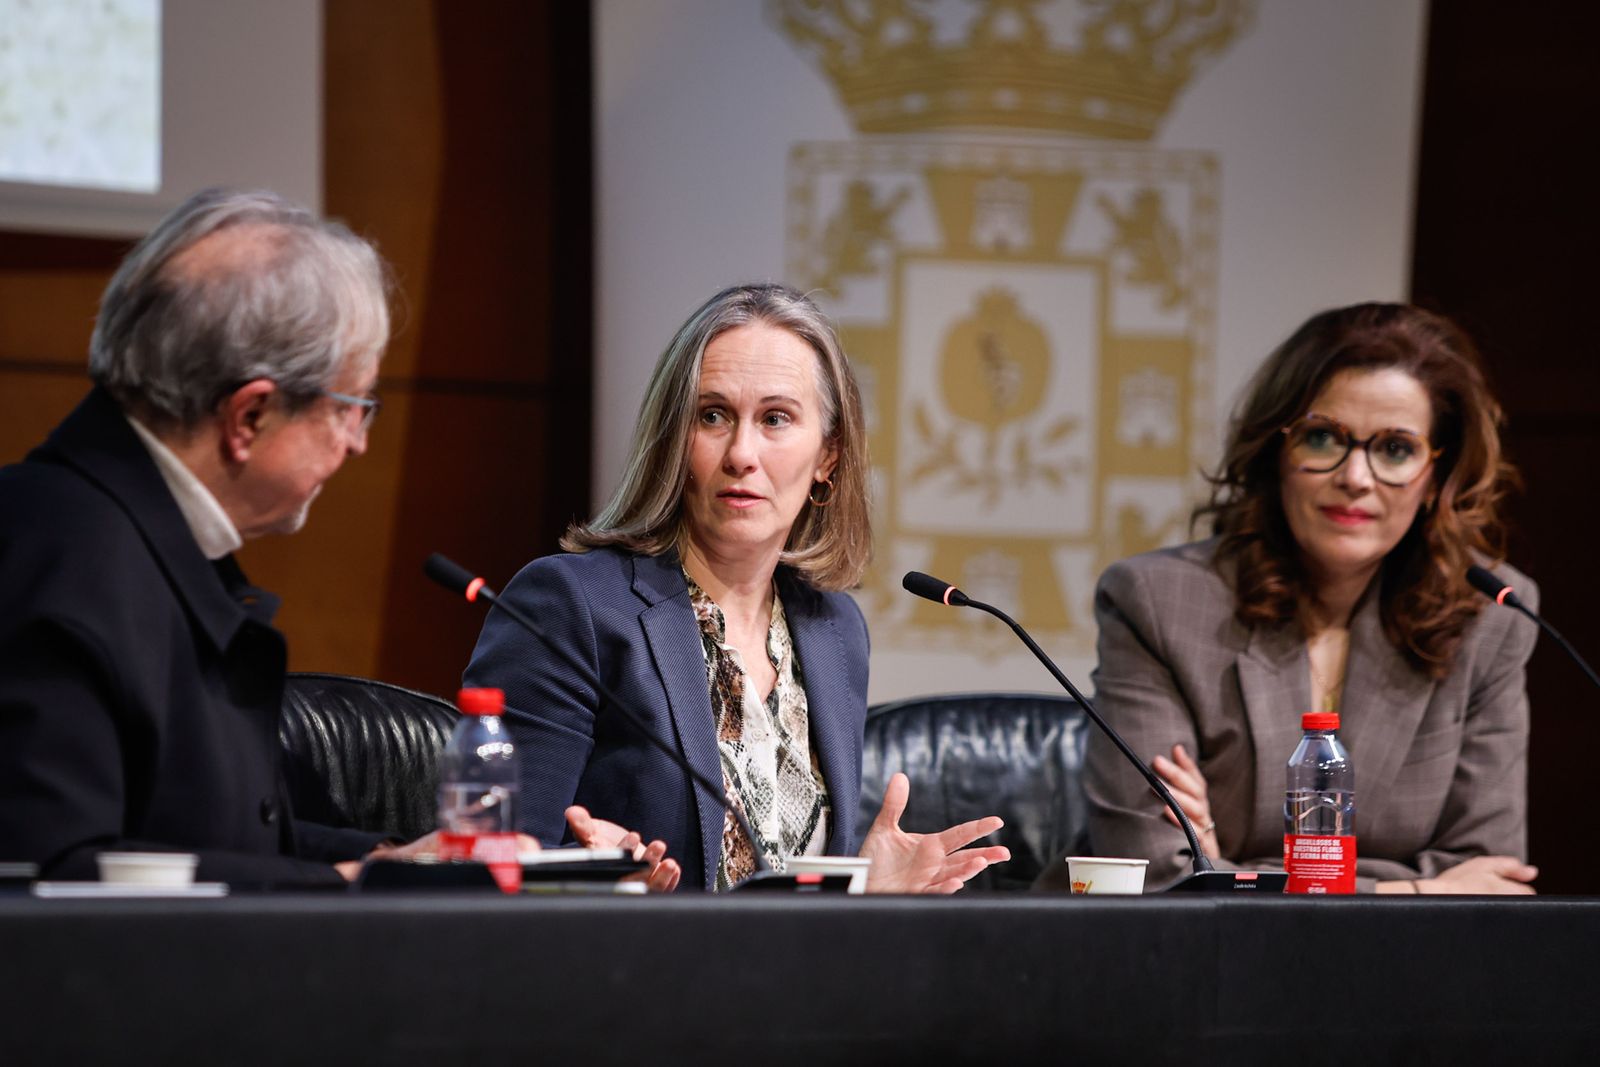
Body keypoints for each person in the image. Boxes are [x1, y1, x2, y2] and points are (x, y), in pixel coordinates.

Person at [0, 188, 675, 889]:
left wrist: (401, 860)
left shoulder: (137, 541)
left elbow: (225, 833)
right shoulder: (57, 563)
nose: (357, 443)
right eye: (353, 407)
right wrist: (348, 883)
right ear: (250, 415)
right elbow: (53, 879)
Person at [465, 283, 1010, 892]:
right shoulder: (569, 606)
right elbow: (490, 868)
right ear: (676, 438)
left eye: (775, 419)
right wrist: (595, 881)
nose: (741, 453)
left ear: (828, 456)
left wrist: (863, 887)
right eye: (713, 416)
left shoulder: (834, 629)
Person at [1069, 303, 1539, 894]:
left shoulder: (1490, 614)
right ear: (1276, 451)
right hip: (1177, 967)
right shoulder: (1158, 603)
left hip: (1399, 977)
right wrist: (1417, 889)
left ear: (1436, 479)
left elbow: (1491, 878)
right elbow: (1154, 875)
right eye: (1323, 438)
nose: (1357, 478)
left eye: (1395, 449)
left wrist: (1228, 869)